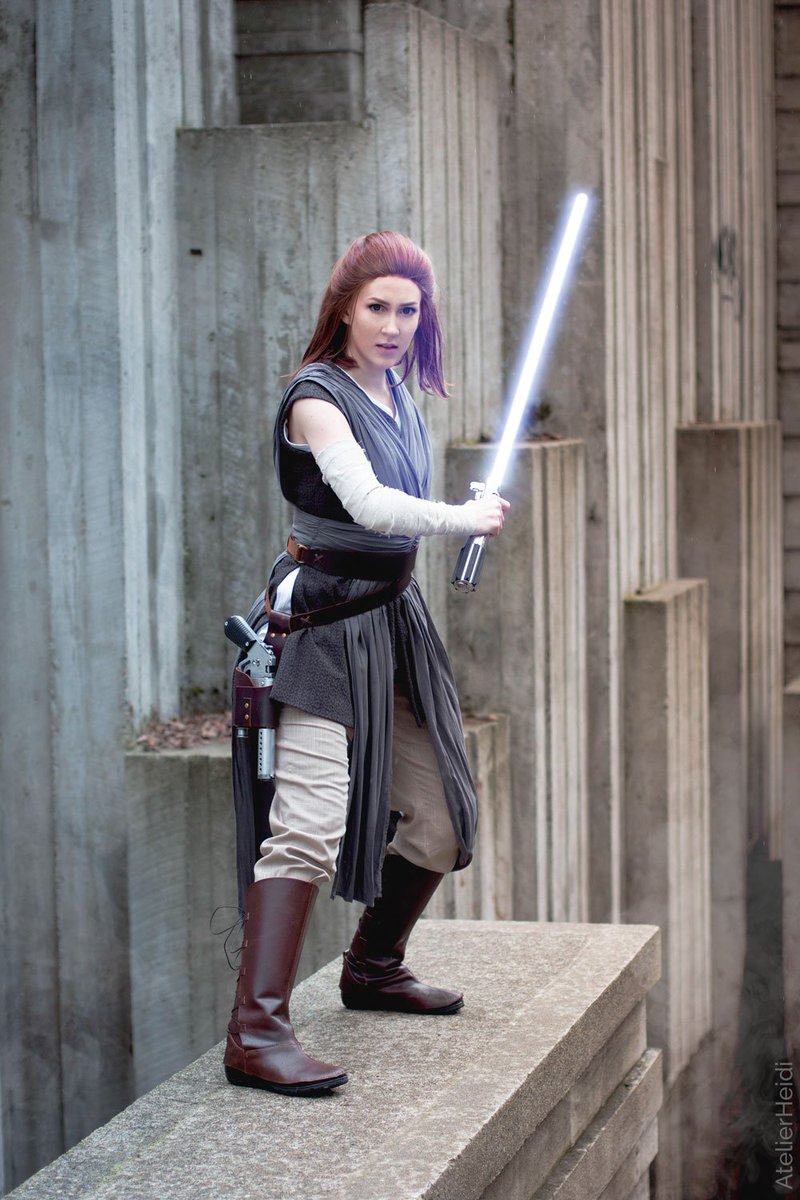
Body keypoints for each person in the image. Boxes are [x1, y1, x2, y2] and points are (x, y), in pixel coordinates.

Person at [223, 231, 510, 1096]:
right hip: (318, 626)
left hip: (391, 623)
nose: (392, 325)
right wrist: (461, 519)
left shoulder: (399, 393)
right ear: (344, 309)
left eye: (407, 310)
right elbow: (371, 505)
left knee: (444, 814)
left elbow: (397, 511)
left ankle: (374, 967)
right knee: (308, 824)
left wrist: (462, 509)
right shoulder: (316, 398)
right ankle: (254, 1033)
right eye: (376, 307)